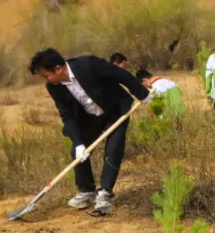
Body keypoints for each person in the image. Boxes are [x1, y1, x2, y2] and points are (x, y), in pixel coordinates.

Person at [29, 48, 151, 216]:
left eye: (46, 75)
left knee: (113, 148)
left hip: (116, 110)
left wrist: (142, 94)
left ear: (58, 69)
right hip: (89, 116)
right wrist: (79, 143)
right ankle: (86, 191)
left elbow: (123, 75)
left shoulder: (89, 64)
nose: (46, 80)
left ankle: (105, 193)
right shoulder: (54, 87)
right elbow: (67, 116)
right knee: (77, 151)